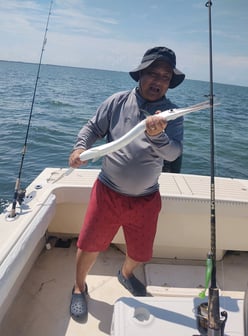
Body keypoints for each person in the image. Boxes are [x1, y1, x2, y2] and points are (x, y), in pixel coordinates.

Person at [68, 46, 185, 322]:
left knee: (141, 252)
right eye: (152, 74)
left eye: (165, 77)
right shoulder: (117, 101)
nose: (158, 81)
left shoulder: (171, 115)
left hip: (146, 198)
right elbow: (92, 128)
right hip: (108, 192)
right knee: (89, 245)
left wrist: (158, 136)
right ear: (140, 74)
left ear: (170, 83)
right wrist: (80, 148)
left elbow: (173, 153)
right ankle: (78, 287)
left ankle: (126, 274)